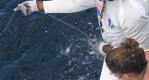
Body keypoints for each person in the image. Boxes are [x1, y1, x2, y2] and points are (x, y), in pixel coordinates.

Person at [14, 0, 149, 54]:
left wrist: (104, 49)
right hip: (115, 48)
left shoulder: (132, 13)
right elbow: (74, 3)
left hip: (129, 60)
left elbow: (140, 54)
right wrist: (36, 5)